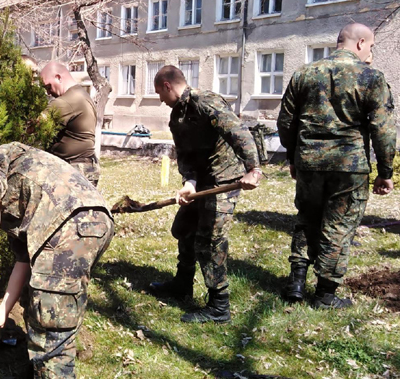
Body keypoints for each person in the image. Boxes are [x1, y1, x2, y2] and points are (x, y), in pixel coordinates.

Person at [0, 142, 114, 378]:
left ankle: (50, 366)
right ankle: (38, 366)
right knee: (38, 300)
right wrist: (3, 311)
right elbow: (24, 260)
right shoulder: (20, 177)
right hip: (97, 222)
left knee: (52, 330)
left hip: (66, 226)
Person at [277, 22, 396, 309]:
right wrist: (386, 172)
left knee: (307, 218)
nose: (371, 53)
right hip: (349, 165)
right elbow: (383, 129)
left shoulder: (303, 73)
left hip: (309, 161)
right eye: (371, 46)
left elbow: (285, 121)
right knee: (338, 226)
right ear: (359, 43)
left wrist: (293, 156)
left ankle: (296, 282)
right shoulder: (371, 77)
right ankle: (325, 294)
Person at [150, 65, 262, 323]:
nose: (160, 99)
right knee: (184, 229)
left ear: (168, 85)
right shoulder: (176, 116)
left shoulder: (205, 102)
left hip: (224, 178)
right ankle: (182, 285)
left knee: (211, 241)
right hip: (201, 181)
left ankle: (219, 307)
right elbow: (185, 155)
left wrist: (253, 169)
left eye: (159, 93)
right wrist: (189, 183)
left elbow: (238, 132)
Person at [39, 61, 101, 186]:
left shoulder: (66, 101)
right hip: (86, 166)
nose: (48, 93)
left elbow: (33, 127)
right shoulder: (82, 95)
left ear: (58, 77)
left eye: (48, 86)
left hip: (74, 171)